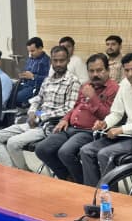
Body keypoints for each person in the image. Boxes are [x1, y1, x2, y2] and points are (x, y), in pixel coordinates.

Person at [0, 46, 79, 171]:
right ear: (51, 61)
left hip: (50, 126)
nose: (58, 64)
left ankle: (23, 174)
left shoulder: (73, 81)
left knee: (13, 143)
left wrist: (39, 115)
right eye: (55, 60)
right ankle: (14, 171)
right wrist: (32, 112)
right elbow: (38, 99)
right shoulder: (48, 80)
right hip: (34, 122)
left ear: (68, 61)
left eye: (62, 60)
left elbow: (69, 110)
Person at [35, 53, 117, 183]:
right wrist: (65, 119)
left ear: (107, 70)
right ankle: (69, 178)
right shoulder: (86, 86)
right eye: (91, 71)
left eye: (99, 70)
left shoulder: (113, 89)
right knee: (42, 149)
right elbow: (75, 106)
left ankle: (82, 184)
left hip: (89, 132)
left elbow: (108, 116)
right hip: (70, 127)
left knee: (65, 152)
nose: (95, 74)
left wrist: (93, 97)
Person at [81, 53, 132, 186]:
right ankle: (92, 190)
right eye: (126, 70)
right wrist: (105, 123)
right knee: (86, 150)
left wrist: (122, 129)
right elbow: (116, 113)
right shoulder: (124, 85)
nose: (130, 74)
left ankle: (109, 194)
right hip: (124, 135)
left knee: (104, 154)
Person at [14, 37, 51, 106]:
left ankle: (23, 107)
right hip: (25, 84)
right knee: (10, 91)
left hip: (35, 88)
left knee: (16, 97)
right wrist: (23, 75)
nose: (30, 53)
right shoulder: (31, 58)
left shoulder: (46, 61)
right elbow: (26, 70)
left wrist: (33, 76)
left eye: (32, 51)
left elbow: (49, 79)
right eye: (29, 51)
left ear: (40, 48)